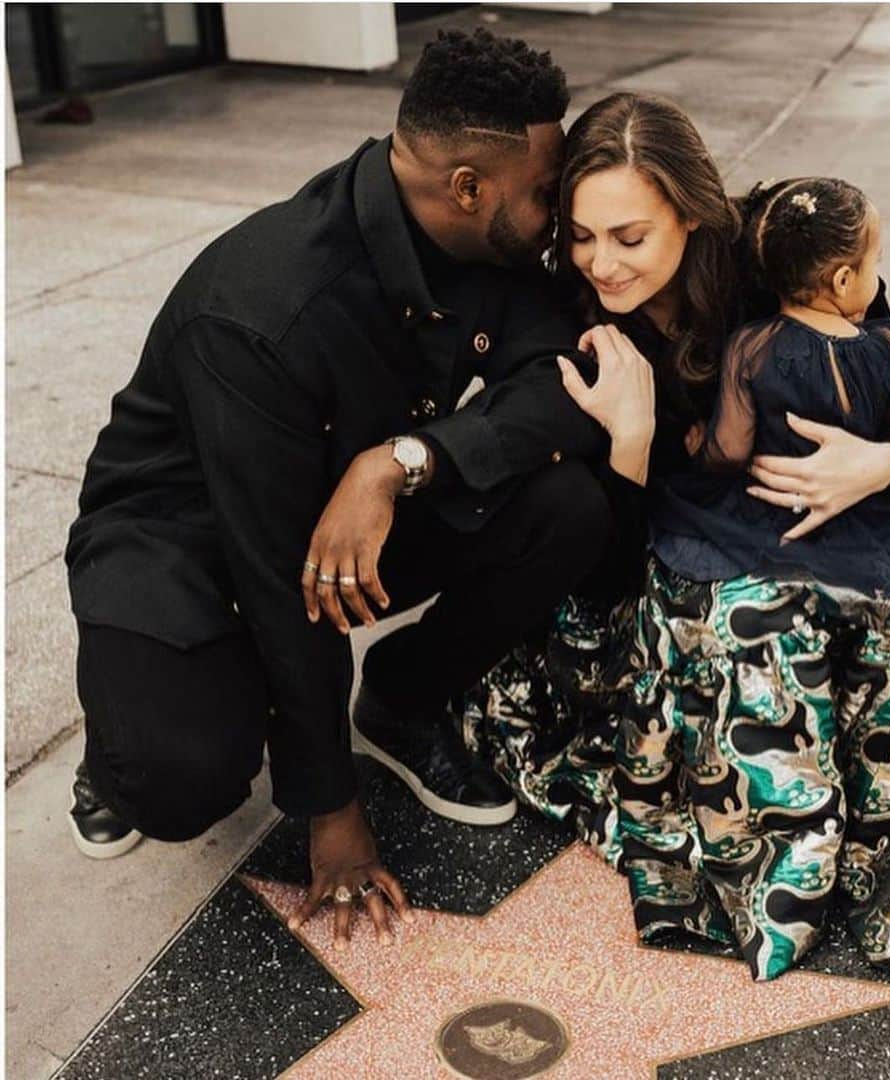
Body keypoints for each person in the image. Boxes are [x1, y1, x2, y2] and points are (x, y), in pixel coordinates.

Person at [466, 93, 890, 980]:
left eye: (630, 237)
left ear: (691, 210)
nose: (602, 262)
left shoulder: (779, 245)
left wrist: (882, 462)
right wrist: (630, 445)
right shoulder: (572, 316)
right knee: (753, 636)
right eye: (583, 236)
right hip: (674, 537)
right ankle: (787, 862)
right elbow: (598, 544)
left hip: (839, 509)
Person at [65, 29, 615, 948]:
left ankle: (400, 698)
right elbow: (271, 565)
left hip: (352, 512)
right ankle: (115, 747)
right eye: (547, 193)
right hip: (184, 542)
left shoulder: (489, 244)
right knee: (183, 777)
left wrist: (401, 461)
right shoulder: (265, 309)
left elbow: (561, 387)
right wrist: (329, 806)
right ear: (469, 187)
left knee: (567, 507)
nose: (559, 214)